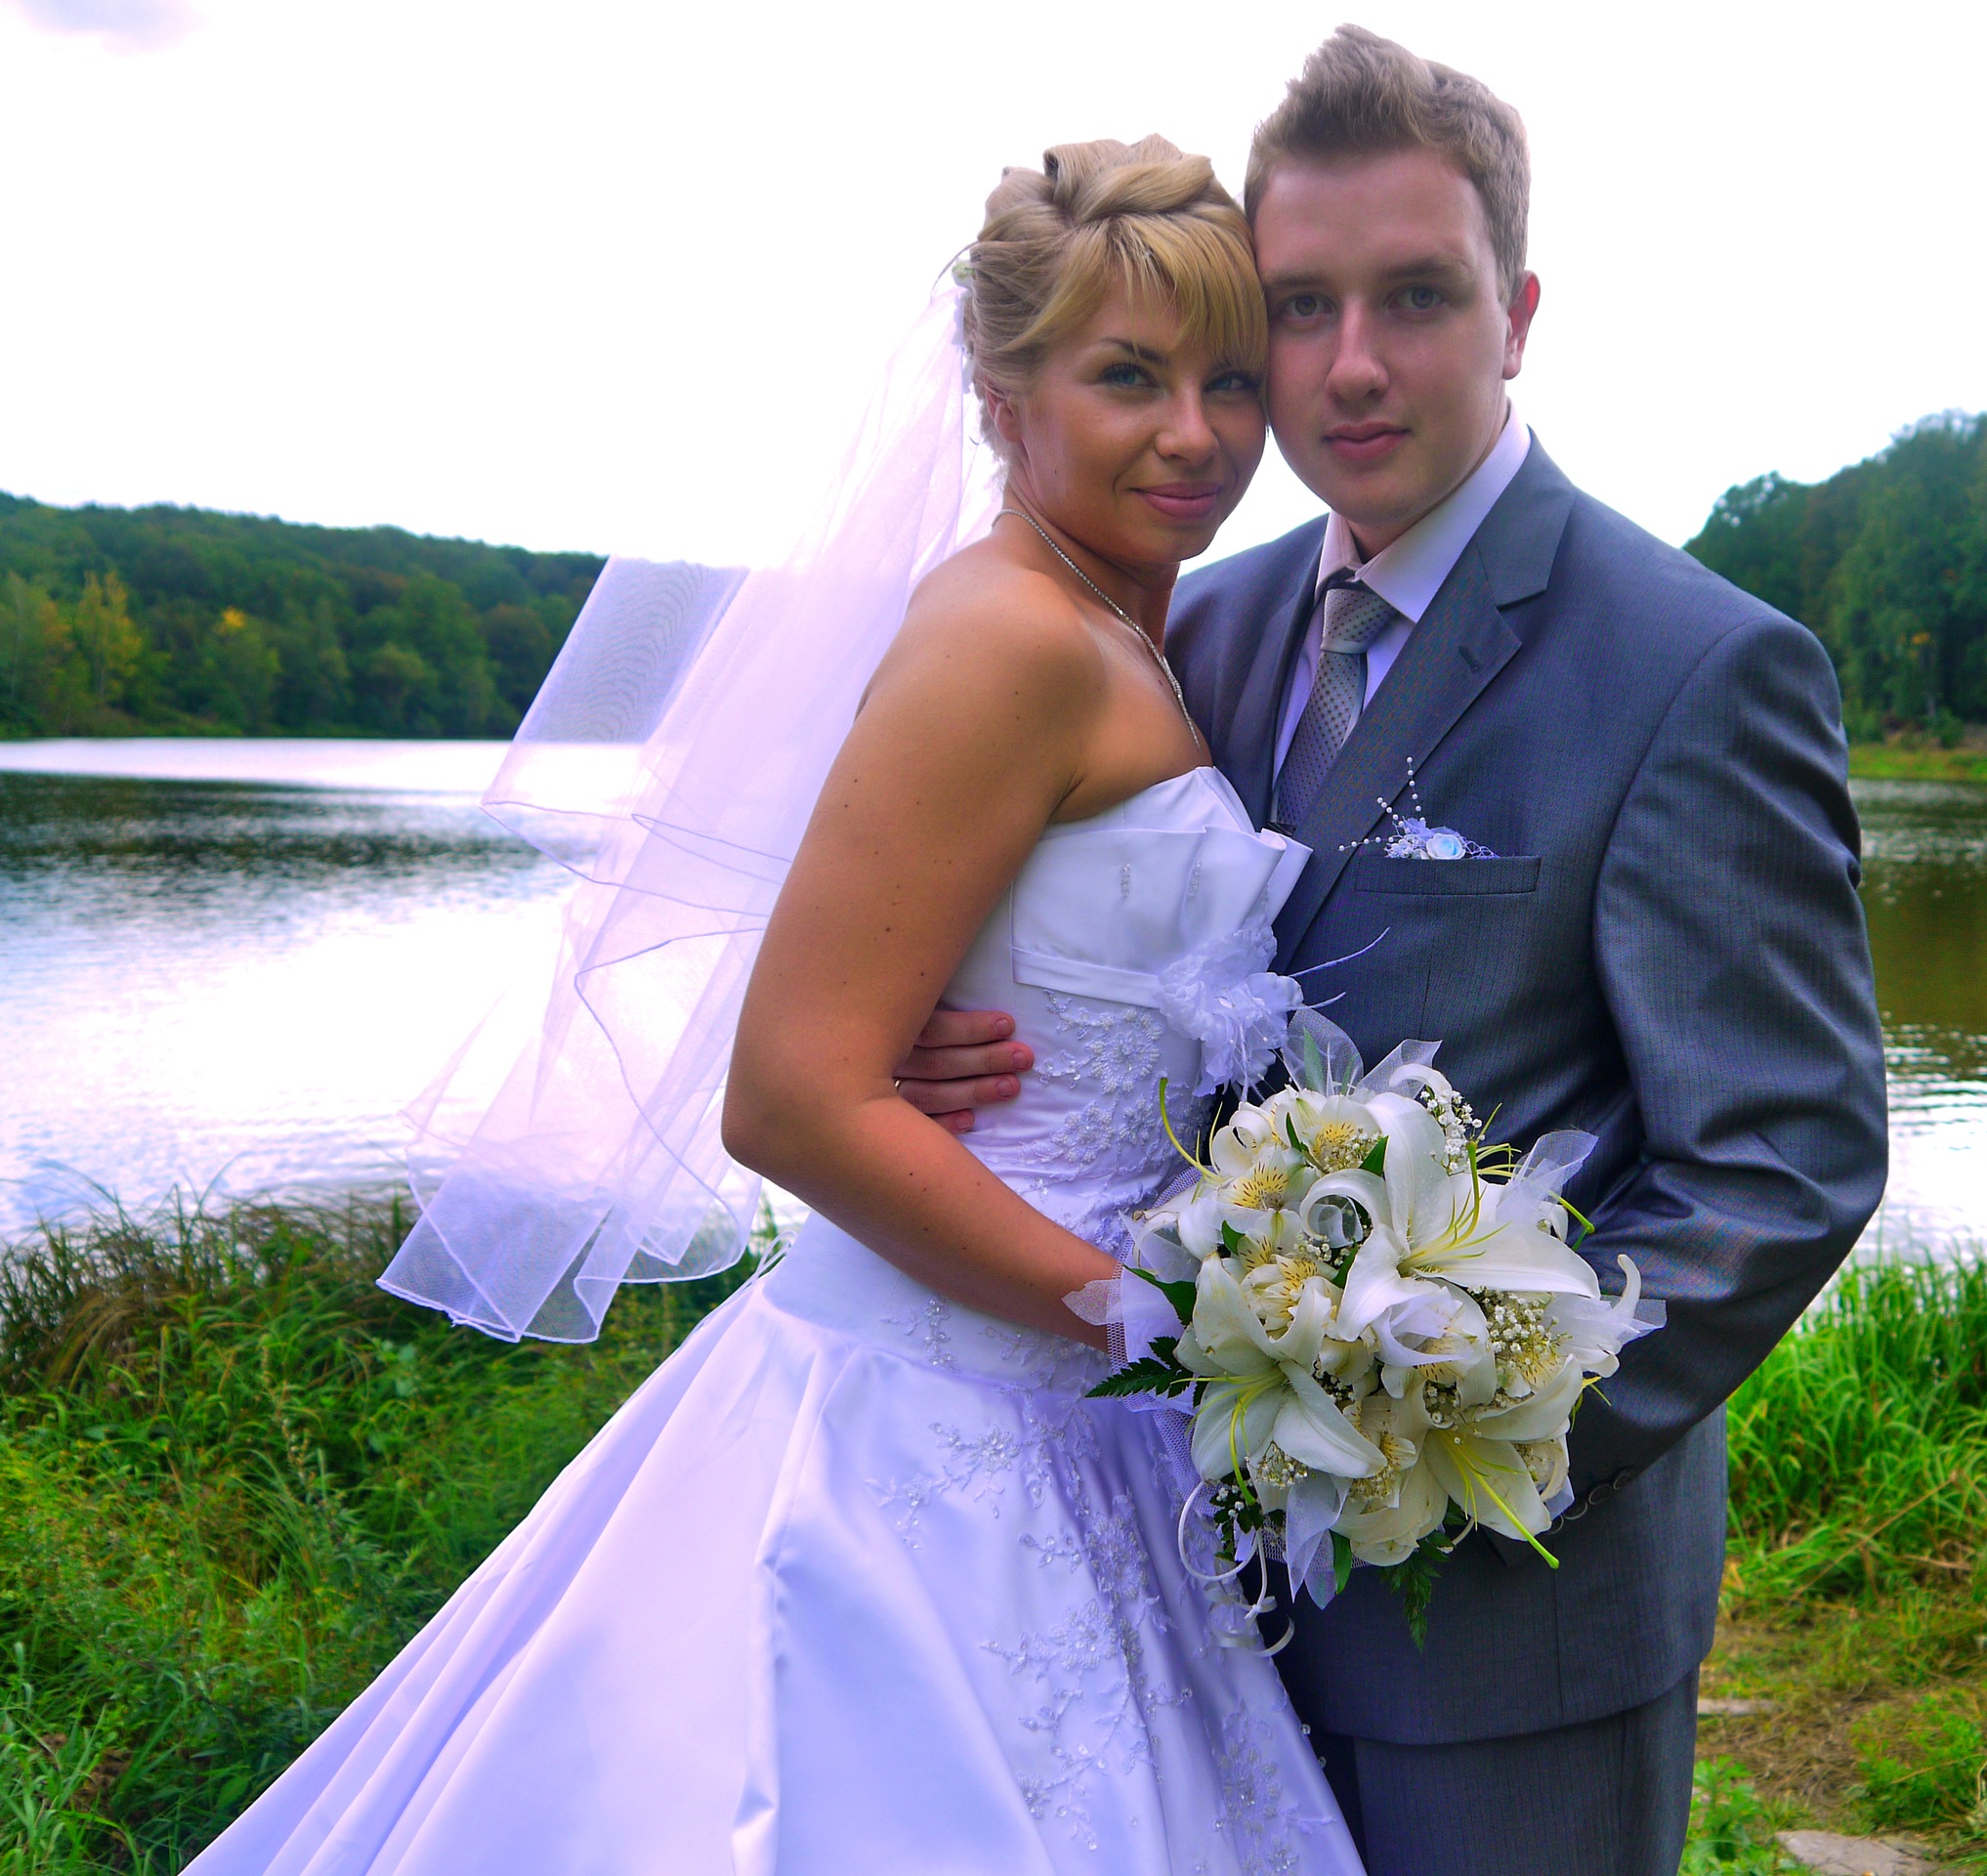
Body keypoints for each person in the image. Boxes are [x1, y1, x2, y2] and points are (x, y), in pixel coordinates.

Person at [183, 138, 1363, 1876]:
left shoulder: (1117, 632)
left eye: (1232, 381)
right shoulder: (1016, 641)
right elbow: (794, 1100)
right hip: (944, 1413)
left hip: (1069, 1417)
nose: (1197, 434)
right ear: (1001, 393)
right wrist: (1167, 1324)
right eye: (1129, 377)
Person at [903, 30, 1891, 1875]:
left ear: (1517, 316)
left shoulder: (1695, 666)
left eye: (1417, 297)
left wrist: (1463, 1415)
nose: (1352, 363)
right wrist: (924, 1041)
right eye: (1303, 306)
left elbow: (1783, 1160)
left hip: (1512, 1636)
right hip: (1174, 1596)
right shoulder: (1193, 624)